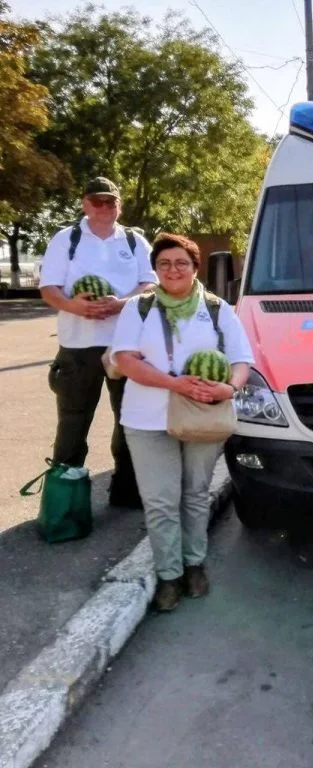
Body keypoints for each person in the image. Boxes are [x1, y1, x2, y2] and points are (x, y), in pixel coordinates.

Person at [111, 233, 253, 612]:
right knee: (160, 501)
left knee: (194, 494)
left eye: (181, 263)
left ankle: (194, 565)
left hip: (203, 416)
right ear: (155, 270)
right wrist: (175, 383)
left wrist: (228, 388)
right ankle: (169, 575)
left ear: (194, 267)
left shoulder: (219, 308)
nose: (173, 270)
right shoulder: (138, 309)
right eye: (164, 264)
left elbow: (242, 360)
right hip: (147, 418)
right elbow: (124, 359)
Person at [39, 177, 157, 508]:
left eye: (110, 202)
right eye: (97, 201)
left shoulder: (135, 241)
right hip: (78, 347)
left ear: (119, 205)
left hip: (126, 346)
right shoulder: (67, 239)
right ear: (85, 203)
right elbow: (49, 289)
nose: (104, 207)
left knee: (129, 419)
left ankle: (127, 492)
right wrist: (74, 306)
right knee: (73, 423)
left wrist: (121, 303)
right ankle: (65, 500)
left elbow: (150, 284)